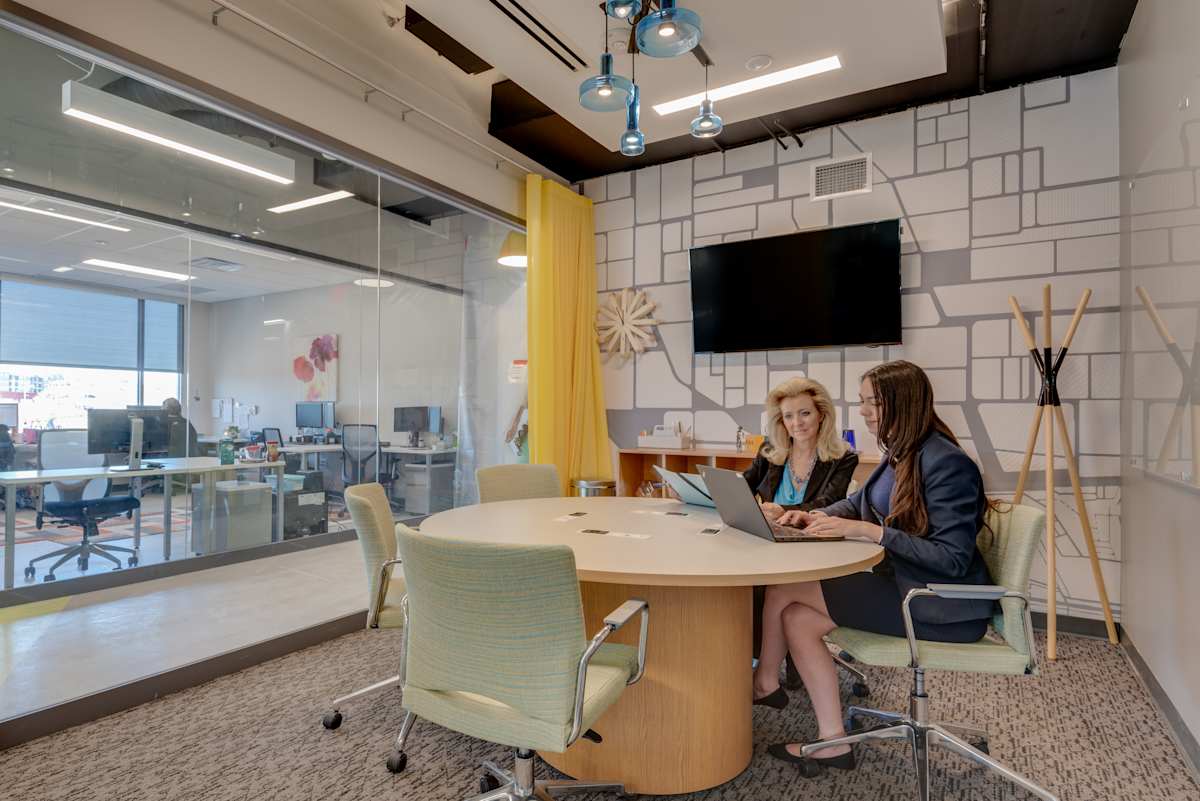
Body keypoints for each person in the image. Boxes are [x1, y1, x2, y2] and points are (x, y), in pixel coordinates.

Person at [755, 360, 996, 775]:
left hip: (939, 603)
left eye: (874, 403)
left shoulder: (947, 463)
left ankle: (763, 684)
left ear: (905, 403)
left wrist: (872, 532)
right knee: (796, 617)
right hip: (906, 585)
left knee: (783, 588)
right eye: (863, 401)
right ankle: (834, 742)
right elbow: (857, 503)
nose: (865, 412)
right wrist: (814, 516)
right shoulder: (900, 453)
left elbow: (952, 559)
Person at [743, 378, 858, 692]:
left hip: (811, 545)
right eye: (789, 416)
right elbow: (744, 485)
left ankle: (773, 664)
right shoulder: (770, 451)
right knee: (739, 584)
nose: (797, 423)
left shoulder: (842, 456)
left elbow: (829, 504)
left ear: (821, 413)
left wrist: (781, 509)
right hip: (768, 542)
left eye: (805, 413)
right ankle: (754, 661)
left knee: (766, 585)